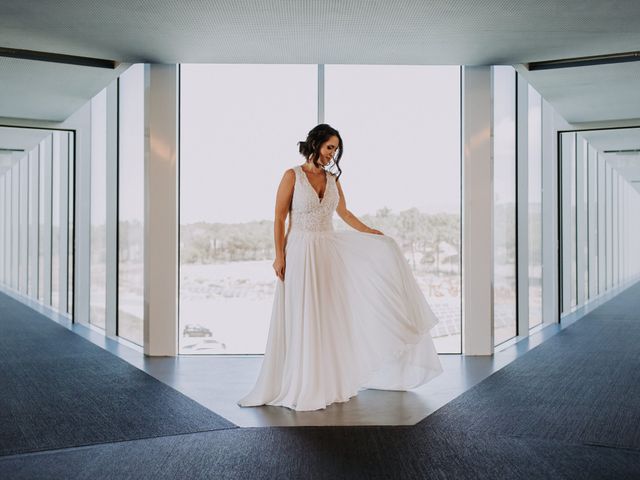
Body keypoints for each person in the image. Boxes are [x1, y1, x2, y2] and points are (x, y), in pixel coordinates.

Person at [238, 124, 443, 411]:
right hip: (299, 250)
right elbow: (279, 217)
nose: (332, 154)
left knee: (328, 314)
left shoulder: (333, 179)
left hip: (328, 251)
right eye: (329, 147)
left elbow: (344, 213)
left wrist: (372, 232)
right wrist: (278, 255)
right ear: (315, 143)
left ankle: (327, 383)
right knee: (302, 313)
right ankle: (300, 381)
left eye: (336, 149)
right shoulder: (292, 176)